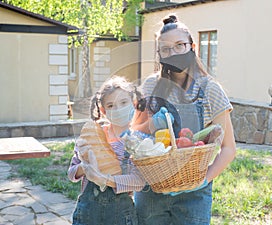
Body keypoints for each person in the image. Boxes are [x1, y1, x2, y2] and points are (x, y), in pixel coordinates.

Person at [133, 14, 237, 225]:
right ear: (159, 54)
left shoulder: (210, 90)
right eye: (166, 49)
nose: (174, 53)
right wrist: (152, 124)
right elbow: (134, 132)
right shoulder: (151, 86)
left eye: (180, 45)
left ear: (192, 47)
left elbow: (229, 149)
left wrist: (203, 181)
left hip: (194, 196)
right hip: (151, 188)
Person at [68, 75, 146, 225]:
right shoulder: (91, 136)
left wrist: (104, 179)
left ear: (134, 104)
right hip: (88, 214)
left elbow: (138, 181)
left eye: (123, 102)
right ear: (103, 111)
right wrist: (85, 168)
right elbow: (71, 173)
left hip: (121, 216)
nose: (118, 109)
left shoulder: (138, 142)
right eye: (111, 106)